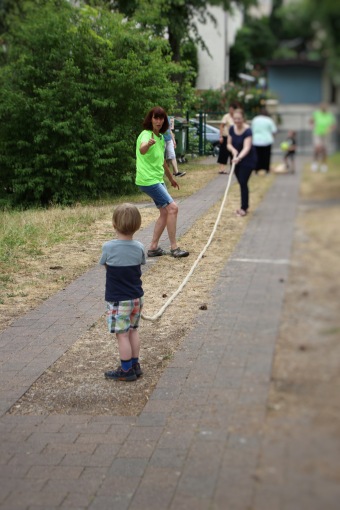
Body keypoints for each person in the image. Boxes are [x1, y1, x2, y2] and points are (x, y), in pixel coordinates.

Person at [100, 203, 146, 382]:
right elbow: (141, 262)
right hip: (136, 298)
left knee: (122, 335)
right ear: (137, 225)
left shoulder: (108, 247)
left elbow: (105, 264)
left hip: (119, 299)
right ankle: (135, 365)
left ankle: (126, 370)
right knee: (133, 330)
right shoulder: (139, 247)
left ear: (114, 224)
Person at [135, 106, 189, 258]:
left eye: (161, 118)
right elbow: (142, 149)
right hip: (148, 180)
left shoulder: (160, 138)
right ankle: (174, 248)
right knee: (173, 208)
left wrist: (171, 178)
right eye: (155, 118)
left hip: (157, 179)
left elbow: (163, 161)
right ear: (150, 119)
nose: (158, 121)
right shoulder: (146, 135)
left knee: (165, 212)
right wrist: (147, 144)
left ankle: (153, 248)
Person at [227, 108, 257, 217]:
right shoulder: (231, 128)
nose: (237, 121)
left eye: (239, 119)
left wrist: (239, 157)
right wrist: (233, 150)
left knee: (243, 182)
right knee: (241, 183)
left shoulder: (247, 131)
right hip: (236, 160)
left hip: (247, 160)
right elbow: (228, 144)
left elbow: (247, 147)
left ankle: (244, 208)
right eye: (235, 119)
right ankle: (244, 206)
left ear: (243, 119)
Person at [310, 103, 336, 172]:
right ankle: (314, 163)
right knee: (317, 148)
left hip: (326, 134)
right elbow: (311, 121)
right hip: (317, 133)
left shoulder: (329, 115)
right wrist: (312, 125)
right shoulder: (316, 113)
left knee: (324, 149)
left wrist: (330, 129)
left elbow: (333, 125)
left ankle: (324, 165)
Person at [251, 107, 277, 174]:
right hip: (267, 140)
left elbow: (251, 130)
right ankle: (266, 169)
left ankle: (257, 169)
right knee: (266, 156)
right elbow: (274, 131)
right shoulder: (269, 120)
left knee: (257, 156)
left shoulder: (255, 119)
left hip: (256, 140)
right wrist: (272, 137)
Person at [217, 102, 237, 174]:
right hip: (226, 136)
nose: (230, 110)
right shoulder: (226, 116)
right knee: (223, 153)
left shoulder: (236, 117)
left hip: (234, 137)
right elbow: (221, 126)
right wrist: (221, 136)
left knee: (233, 153)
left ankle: (233, 169)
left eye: (232, 109)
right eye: (230, 109)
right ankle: (221, 169)